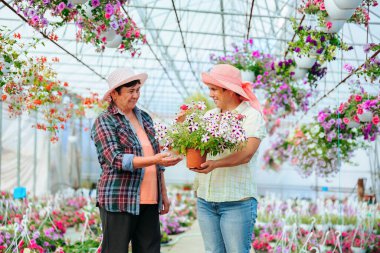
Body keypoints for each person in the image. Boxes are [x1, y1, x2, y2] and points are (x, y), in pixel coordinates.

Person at [91, 67, 182, 253]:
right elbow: (116, 159)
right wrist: (154, 158)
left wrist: (163, 194)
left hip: (149, 199)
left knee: (150, 250)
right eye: (130, 91)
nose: (135, 96)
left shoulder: (145, 118)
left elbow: (157, 162)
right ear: (114, 94)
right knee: (116, 249)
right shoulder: (105, 120)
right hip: (120, 199)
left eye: (138, 90)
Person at [190, 64, 266, 253]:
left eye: (214, 89)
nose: (210, 94)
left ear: (230, 91)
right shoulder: (210, 116)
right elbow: (199, 149)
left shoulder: (250, 116)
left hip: (236, 202)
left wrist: (216, 164)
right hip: (206, 200)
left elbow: (247, 153)